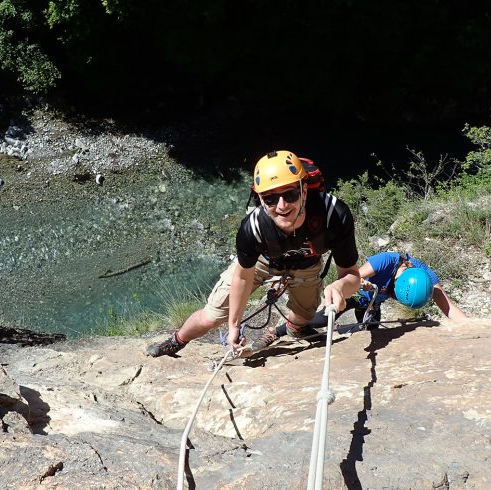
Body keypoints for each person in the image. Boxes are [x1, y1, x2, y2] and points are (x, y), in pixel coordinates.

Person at [146, 149, 361, 357]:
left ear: (304, 191)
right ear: (260, 199)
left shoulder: (333, 214)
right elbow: (243, 275)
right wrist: (233, 325)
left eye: (291, 194)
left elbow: (351, 275)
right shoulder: (253, 227)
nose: (282, 205)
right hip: (263, 260)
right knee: (211, 317)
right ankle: (177, 340)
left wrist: (340, 286)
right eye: (270, 199)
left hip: (307, 263)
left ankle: (288, 329)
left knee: (304, 314)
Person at [247, 251, 468, 352]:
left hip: (372, 303)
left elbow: (448, 307)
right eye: (391, 288)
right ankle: (276, 332)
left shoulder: (428, 281)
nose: (390, 291)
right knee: (319, 320)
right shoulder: (387, 261)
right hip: (356, 294)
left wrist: (472, 329)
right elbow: (351, 278)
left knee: (371, 331)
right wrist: (357, 286)